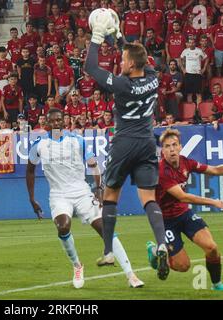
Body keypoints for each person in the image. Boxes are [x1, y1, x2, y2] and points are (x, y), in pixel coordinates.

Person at [84, 10, 170, 280]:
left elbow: (90, 67)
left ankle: (108, 251)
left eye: (122, 59)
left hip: (123, 143)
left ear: (131, 65)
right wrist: (119, 35)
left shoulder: (121, 84)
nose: (119, 62)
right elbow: (135, 54)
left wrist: (98, 37)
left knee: (110, 196)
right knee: (149, 199)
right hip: (146, 142)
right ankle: (161, 242)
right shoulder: (153, 76)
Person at [26, 108, 144, 289]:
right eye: (53, 121)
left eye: (60, 120)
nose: (57, 123)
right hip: (58, 195)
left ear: (64, 121)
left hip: (82, 192)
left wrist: (98, 188)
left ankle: (131, 275)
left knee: (106, 229)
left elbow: (94, 164)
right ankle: (77, 265)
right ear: (46, 124)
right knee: (63, 227)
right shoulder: (39, 145)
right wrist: (32, 199)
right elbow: (30, 171)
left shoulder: (77, 140)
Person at [147, 128, 223, 291]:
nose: (172, 149)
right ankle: (155, 252)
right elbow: (183, 197)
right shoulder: (162, 171)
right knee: (183, 266)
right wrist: (213, 202)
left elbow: (214, 170)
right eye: (167, 146)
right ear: (163, 150)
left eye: (174, 145)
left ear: (180, 146)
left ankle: (217, 284)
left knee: (212, 248)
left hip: (185, 215)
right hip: (166, 221)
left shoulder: (186, 162)